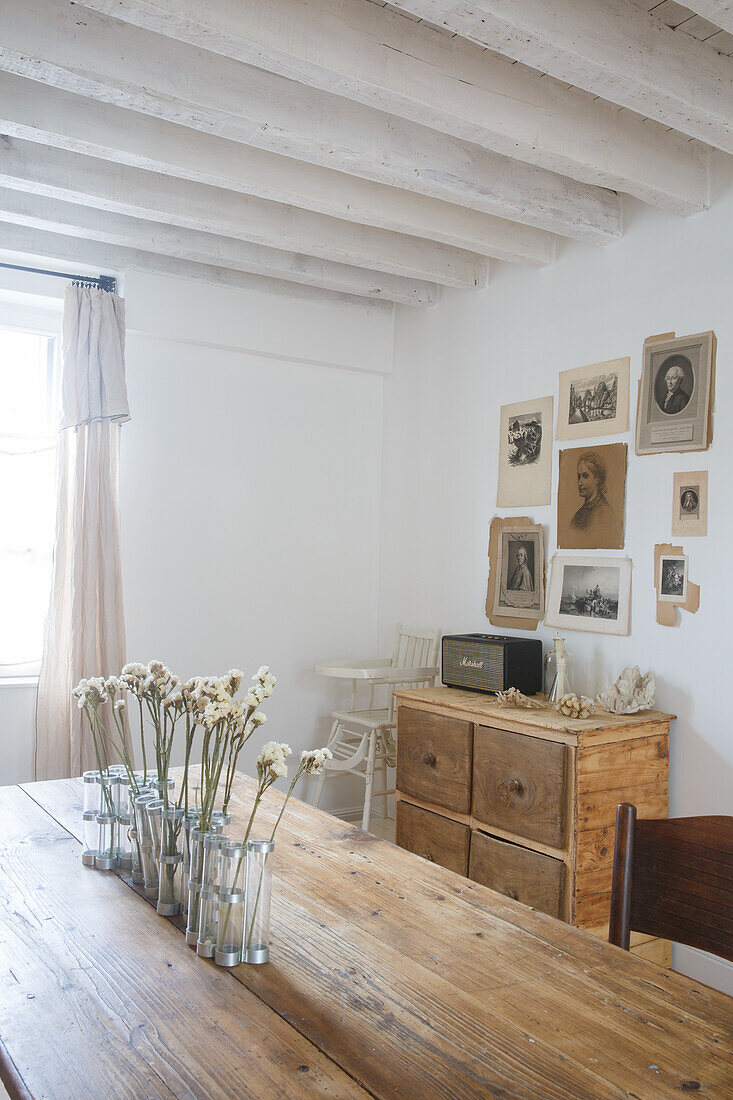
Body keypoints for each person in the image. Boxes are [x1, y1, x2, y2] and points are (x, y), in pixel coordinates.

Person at [571, 452, 613, 532]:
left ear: (597, 479)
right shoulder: (580, 513)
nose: (580, 483)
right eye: (579, 477)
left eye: (585, 476)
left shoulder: (603, 513)